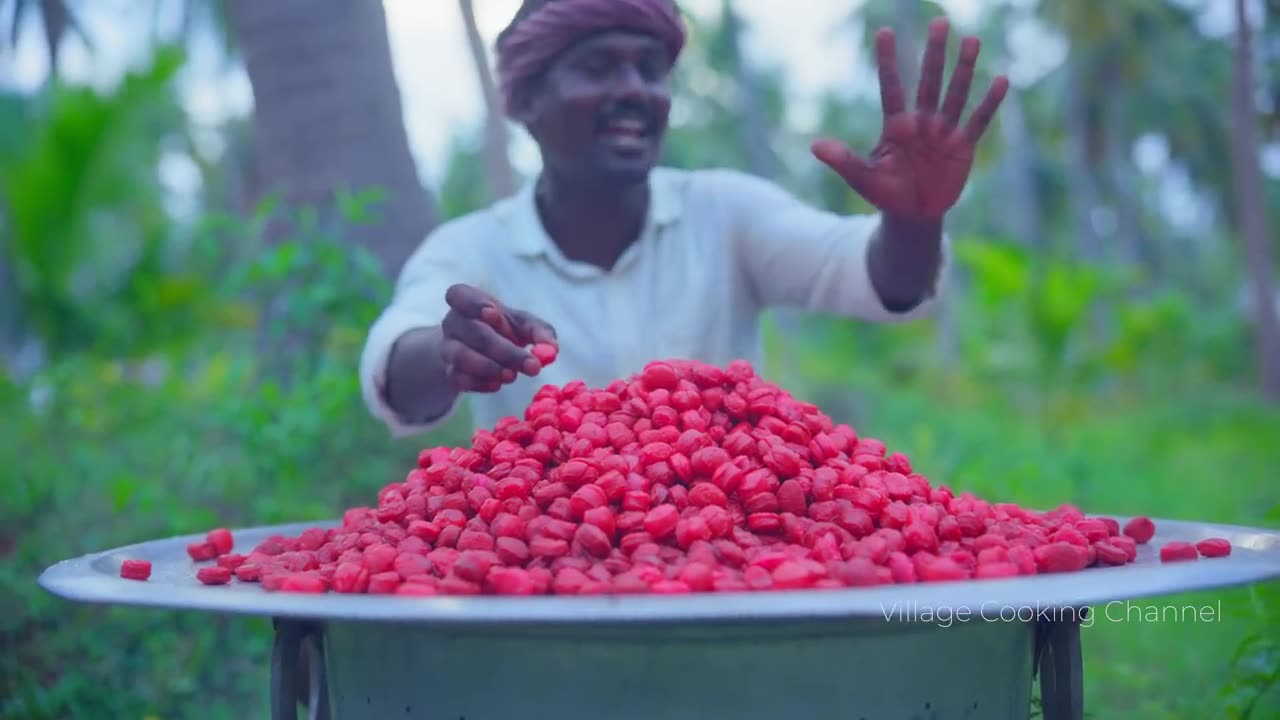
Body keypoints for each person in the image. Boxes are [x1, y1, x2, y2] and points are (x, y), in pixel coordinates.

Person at [358, 0, 1008, 437]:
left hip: (729, 572)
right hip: (543, 595)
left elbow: (879, 281)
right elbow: (395, 363)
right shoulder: (471, 248)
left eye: (650, 68)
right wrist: (447, 354)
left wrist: (915, 221)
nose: (636, 89)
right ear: (526, 98)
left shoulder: (726, 211)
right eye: (597, 66)